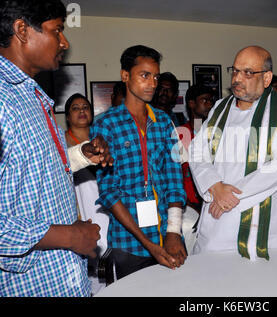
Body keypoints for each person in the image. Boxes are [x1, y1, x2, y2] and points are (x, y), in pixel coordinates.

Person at [0, 0, 113, 297]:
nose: (64, 42)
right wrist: (68, 235)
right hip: (27, 285)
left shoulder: (31, 96)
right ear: (22, 30)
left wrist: (78, 155)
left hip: (62, 276)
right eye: (58, 30)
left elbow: (27, 169)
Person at [189, 46, 277, 260]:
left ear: (267, 78)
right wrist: (214, 186)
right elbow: (197, 150)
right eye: (235, 71)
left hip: (258, 214)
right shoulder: (220, 108)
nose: (237, 79)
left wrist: (230, 195)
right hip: (216, 215)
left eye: (248, 72)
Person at [90, 45, 187, 281]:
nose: (152, 84)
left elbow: (175, 179)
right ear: (125, 76)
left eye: (155, 77)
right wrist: (148, 244)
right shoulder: (106, 124)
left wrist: (173, 232)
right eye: (144, 75)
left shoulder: (164, 122)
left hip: (168, 235)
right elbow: (109, 193)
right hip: (129, 243)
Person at [64, 93, 110, 293]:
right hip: (80, 208)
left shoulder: (101, 139)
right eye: (75, 108)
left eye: (85, 107)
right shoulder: (61, 141)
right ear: (67, 116)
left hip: (106, 206)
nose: (82, 110)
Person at [176, 84, 214, 254]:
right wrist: (195, 207)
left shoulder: (216, 133)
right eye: (204, 100)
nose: (210, 104)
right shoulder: (180, 134)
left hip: (214, 201)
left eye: (211, 100)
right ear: (191, 104)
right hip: (189, 205)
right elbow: (176, 177)